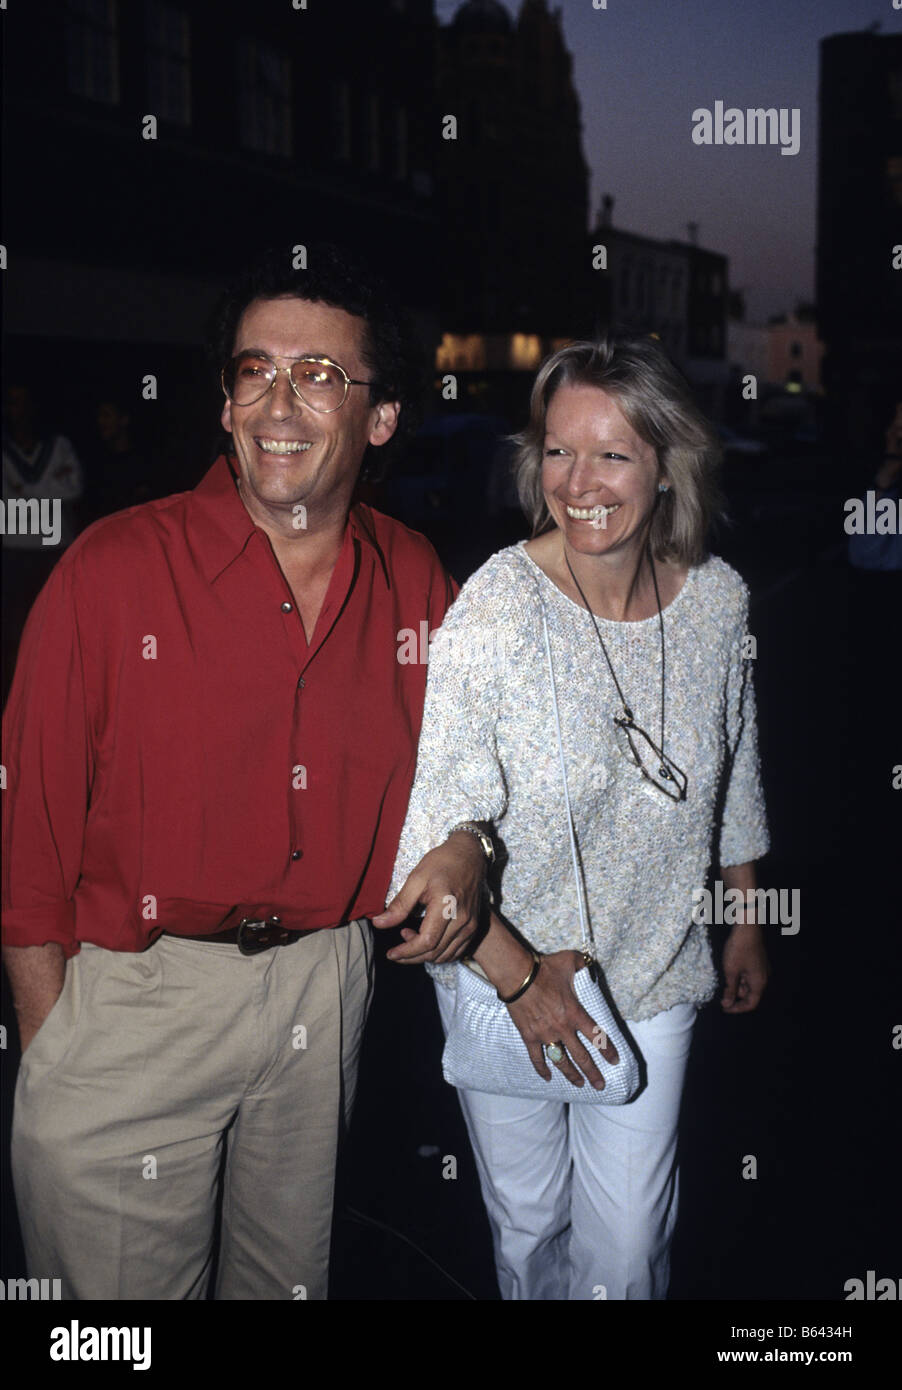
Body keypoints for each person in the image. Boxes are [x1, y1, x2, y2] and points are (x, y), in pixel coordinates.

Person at [1, 245, 488, 1301]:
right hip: (138, 994)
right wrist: (64, 1061)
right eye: (254, 370)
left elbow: (469, 770)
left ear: (382, 416)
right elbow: (29, 845)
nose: (279, 400)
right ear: (224, 404)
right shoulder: (111, 573)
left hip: (327, 986)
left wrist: (464, 843)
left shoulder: (414, 578)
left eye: (319, 375)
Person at [389, 336, 771, 1301]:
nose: (579, 480)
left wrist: (747, 915)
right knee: (528, 1229)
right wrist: (520, 982)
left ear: (667, 464)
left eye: (613, 453)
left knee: (630, 1244)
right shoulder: (496, 610)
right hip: (503, 978)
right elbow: (439, 831)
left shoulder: (720, 603)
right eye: (559, 450)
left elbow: (735, 768)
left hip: (656, 968)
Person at [2, 383, 84, 697]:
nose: (17, 410)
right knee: (14, 636)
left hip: (56, 550)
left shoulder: (59, 445)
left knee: (57, 634)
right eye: (11, 402)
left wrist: (24, 495)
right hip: (14, 552)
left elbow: (74, 489)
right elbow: (6, 501)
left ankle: (54, 698)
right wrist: (50, 491)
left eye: (23, 402)